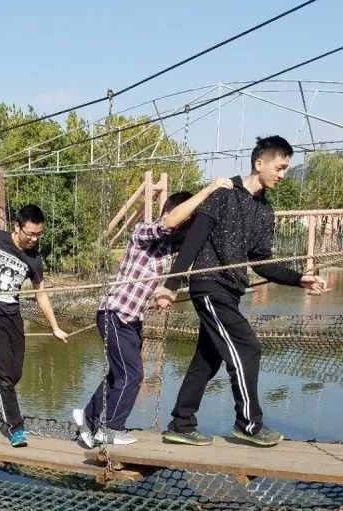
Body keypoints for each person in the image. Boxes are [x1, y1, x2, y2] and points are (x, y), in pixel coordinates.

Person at [155, 135, 327, 447]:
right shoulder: (222, 195)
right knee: (247, 347)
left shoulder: (265, 212)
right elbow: (192, 241)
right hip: (209, 287)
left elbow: (262, 263)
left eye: (287, 169)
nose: (283, 174)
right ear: (259, 163)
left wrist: (299, 279)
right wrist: (170, 286)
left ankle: (181, 423)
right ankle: (248, 423)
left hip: (231, 291)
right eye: (280, 167)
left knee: (207, 359)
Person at [73, 179, 234, 448]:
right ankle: (110, 428)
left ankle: (88, 418)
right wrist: (209, 190)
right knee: (132, 375)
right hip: (115, 313)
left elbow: (189, 242)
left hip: (130, 319)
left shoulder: (169, 249)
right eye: (187, 222)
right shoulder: (143, 231)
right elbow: (169, 223)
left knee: (118, 375)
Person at [0, 204, 68, 448]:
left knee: (13, 373)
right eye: (30, 234)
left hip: (12, 315)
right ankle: (16, 427)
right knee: (3, 375)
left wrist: (54, 326)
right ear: (17, 228)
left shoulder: (34, 259)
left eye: (39, 234)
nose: (34, 239)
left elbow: (41, 295)